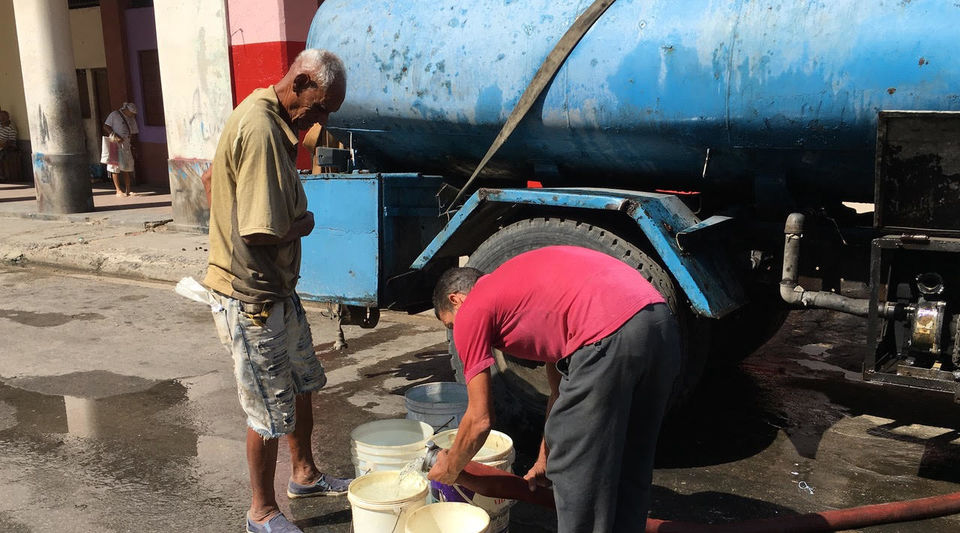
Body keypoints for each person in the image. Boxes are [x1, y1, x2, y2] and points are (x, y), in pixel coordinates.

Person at [427, 246, 683, 533]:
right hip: (659, 323)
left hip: (608, 330)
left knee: (577, 471)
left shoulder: (473, 307)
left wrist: (450, 468)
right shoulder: (520, 291)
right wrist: (544, 457)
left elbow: (479, 419)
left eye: (450, 323)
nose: (455, 330)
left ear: (456, 299)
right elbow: (559, 386)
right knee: (628, 461)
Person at [204, 49, 349, 533]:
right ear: (302, 82)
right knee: (266, 407)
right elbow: (259, 231)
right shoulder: (264, 127)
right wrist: (304, 224)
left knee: (303, 382)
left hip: (276, 291)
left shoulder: (272, 118)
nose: (322, 119)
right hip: (251, 299)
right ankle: (261, 511)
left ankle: (304, 474)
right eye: (323, 106)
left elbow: (210, 178)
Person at [102, 102, 138, 196]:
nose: (132, 115)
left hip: (126, 145)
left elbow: (134, 132)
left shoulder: (131, 119)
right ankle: (118, 190)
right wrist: (115, 135)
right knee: (114, 167)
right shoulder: (114, 115)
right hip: (114, 143)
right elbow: (106, 126)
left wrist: (132, 145)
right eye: (131, 113)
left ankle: (128, 189)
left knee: (126, 167)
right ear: (126, 110)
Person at [0, 110, 19, 182]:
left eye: (3, 117)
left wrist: (3, 144)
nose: (1, 119)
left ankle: (2, 176)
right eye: (0, 117)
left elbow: (11, 142)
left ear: (8, 117)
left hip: (4, 147)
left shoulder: (11, 128)